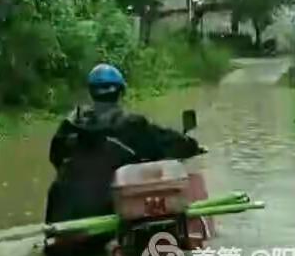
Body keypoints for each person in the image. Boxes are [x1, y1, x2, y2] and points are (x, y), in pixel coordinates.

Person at [45, 63, 203, 225]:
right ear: (121, 92)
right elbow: (168, 142)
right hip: (109, 218)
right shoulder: (132, 125)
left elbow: (55, 158)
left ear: (91, 92)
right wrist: (192, 146)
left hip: (59, 220)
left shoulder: (70, 125)